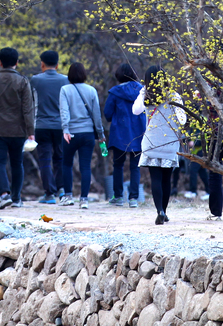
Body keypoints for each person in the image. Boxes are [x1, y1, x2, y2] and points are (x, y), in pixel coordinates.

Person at [0, 47, 35, 210]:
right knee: (17, 163)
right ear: (17, 63)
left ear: (0, 62)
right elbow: (28, 109)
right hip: (18, 130)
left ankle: (4, 195)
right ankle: (16, 198)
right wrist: (30, 131)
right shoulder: (23, 81)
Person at [133, 65, 187, 225]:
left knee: (155, 178)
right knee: (167, 179)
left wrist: (142, 92)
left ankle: (160, 211)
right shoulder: (174, 96)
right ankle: (165, 211)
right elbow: (182, 120)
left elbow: (135, 110)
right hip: (170, 142)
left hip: (151, 142)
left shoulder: (147, 96)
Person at [58, 62, 104, 207]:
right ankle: (84, 199)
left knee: (66, 164)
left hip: (70, 134)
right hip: (88, 133)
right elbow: (97, 115)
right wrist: (100, 133)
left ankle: (68, 196)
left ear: (69, 75)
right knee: (85, 166)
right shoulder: (91, 90)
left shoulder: (65, 90)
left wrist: (65, 129)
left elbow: (64, 112)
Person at [103, 62, 146, 207]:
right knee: (135, 166)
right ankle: (134, 198)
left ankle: (118, 196)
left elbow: (108, 113)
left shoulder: (114, 92)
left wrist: (114, 118)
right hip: (138, 133)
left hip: (119, 134)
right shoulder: (142, 91)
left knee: (118, 165)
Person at [30, 50, 69, 204]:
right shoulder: (66, 80)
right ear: (58, 64)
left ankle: (49, 193)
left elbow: (30, 102)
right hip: (60, 125)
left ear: (42, 64)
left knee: (45, 159)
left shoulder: (35, 80)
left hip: (41, 125)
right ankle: (62, 189)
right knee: (60, 158)